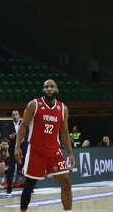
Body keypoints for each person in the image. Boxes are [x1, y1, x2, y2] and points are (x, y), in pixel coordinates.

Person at [15, 80, 73, 211]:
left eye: (52, 86)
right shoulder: (34, 104)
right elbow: (23, 125)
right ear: (43, 90)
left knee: (66, 182)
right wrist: (17, 146)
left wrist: (70, 153)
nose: (49, 89)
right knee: (29, 186)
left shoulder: (63, 109)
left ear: (56, 89)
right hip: (36, 151)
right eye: (46, 87)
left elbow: (64, 133)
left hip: (54, 151)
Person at [5, 110, 24, 194]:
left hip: (22, 150)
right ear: (12, 116)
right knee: (11, 169)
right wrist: (12, 136)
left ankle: (29, 187)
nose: (15, 116)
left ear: (19, 115)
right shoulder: (8, 125)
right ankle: (9, 188)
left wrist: (20, 137)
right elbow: (7, 136)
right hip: (12, 150)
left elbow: (26, 134)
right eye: (13, 115)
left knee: (25, 168)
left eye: (16, 114)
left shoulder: (23, 124)